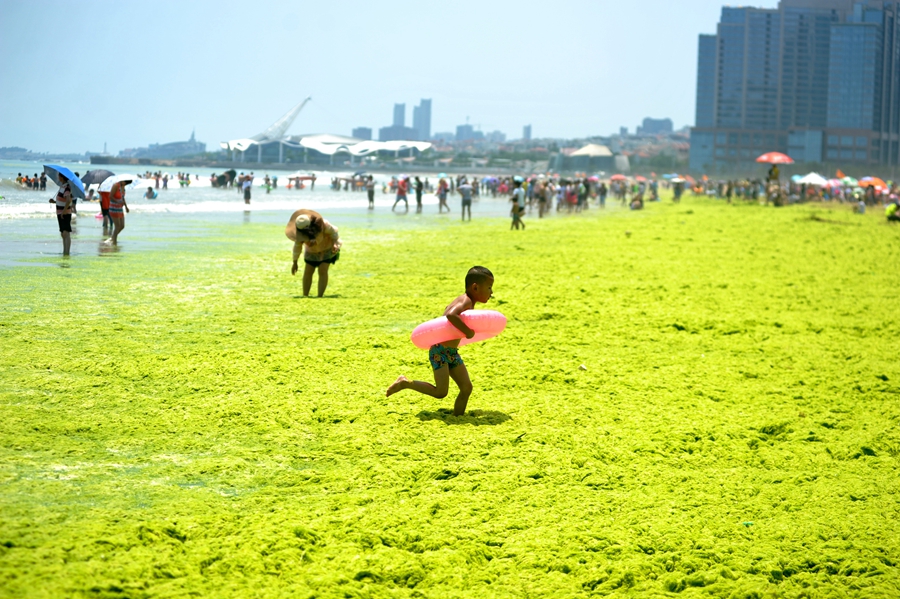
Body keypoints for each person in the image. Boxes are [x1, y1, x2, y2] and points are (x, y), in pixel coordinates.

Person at [385, 266, 494, 416]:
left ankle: (458, 417)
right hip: (440, 352)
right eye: (489, 287)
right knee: (441, 392)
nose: (491, 292)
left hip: (452, 352)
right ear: (475, 287)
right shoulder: (466, 301)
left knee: (466, 388)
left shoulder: (466, 301)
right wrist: (467, 332)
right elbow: (450, 314)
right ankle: (405, 383)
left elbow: (448, 311)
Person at [286, 209, 342, 297]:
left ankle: (320, 296)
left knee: (323, 270)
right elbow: (297, 247)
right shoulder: (299, 234)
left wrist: (335, 244)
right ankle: (305, 295)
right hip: (311, 252)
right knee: (308, 271)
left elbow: (334, 234)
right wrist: (295, 262)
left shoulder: (324, 225)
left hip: (327, 249)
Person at [50, 174, 75, 256]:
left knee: (65, 232)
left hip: (65, 213)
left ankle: (67, 252)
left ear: (62, 177)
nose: (58, 177)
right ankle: (65, 251)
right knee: (62, 233)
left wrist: (64, 211)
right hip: (60, 212)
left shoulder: (67, 187)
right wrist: (54, 202)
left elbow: (68, 200)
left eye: (59, 176)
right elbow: (62, 200)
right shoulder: (62, 187)